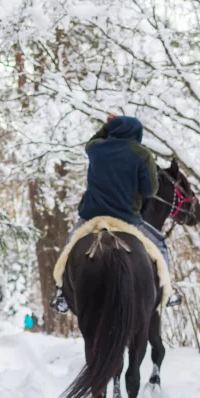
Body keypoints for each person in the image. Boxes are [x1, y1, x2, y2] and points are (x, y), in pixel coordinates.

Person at [51, 115, 180, 313]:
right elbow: (149, 191)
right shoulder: (142, 154)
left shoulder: (96, 149)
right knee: (159, 245)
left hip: (91, 216)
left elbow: (94, 139)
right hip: (126, 219)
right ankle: (167, 292)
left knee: (70, 245)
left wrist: (108, 125)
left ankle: (62, 294)